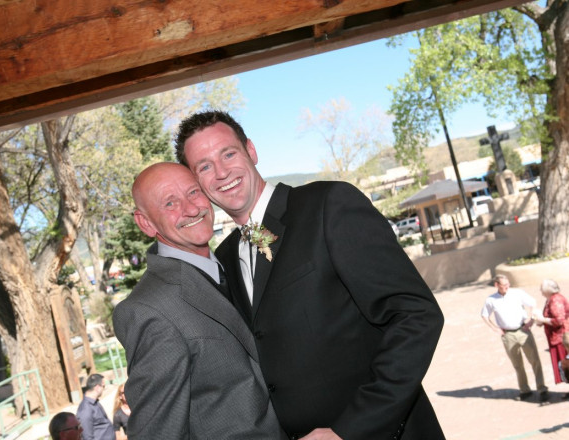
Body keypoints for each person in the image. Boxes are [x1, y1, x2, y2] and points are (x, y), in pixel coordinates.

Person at [175, 110, 445, 440]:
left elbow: (416, 316)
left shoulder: (328, 205)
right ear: (197, 183)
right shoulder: (225, 257)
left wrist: (349, 430)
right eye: (204, 166)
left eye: (228, 153)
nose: (221, 172)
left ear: (251, 150)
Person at [112, 163, 285, 439]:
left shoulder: (234, 260)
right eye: (170, 203)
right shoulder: (148, 310)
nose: (192, 209)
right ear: (145, 223)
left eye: (193, 192)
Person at [481, 274, 548, 402]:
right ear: (496, 285)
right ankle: (524, 389)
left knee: (535, 360)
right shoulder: (491, 300)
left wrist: (531, 320)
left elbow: (532, 303)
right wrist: (495, 328)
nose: (507, 287)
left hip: (523, 330)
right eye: (504, 285)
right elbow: (484, 315)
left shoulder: (517, 293)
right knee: (517, 364)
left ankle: (542, 388)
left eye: (508, 284)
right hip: (508, 334)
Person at [533, 279, 569, 391]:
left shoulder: (555, 300)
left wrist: (542, 319)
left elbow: (559, 320)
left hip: (561, 338)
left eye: (541, 289)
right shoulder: (551, 299)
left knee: (566, 365)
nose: (540, 291)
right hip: (558, 337)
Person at [76, 374, 115, 440]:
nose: (103, 389)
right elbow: (87, 437)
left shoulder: (95, 403)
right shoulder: (86, 409)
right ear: (97, 387)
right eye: (103, 386)